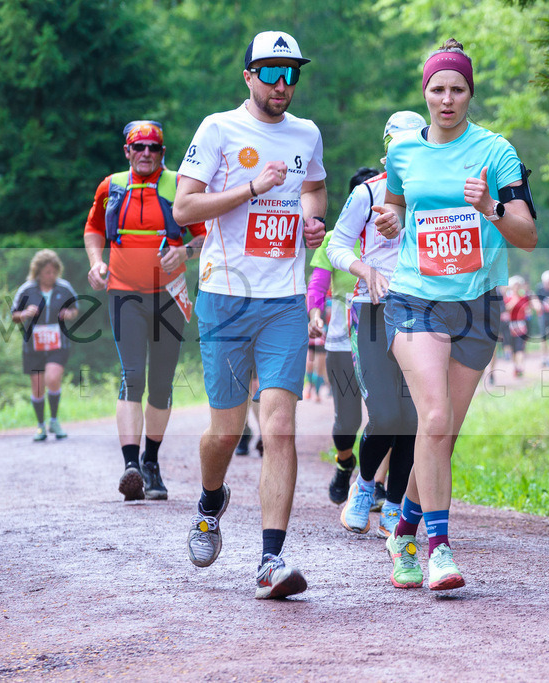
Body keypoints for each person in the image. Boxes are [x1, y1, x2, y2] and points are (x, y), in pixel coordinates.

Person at [373, 39, 537, 590]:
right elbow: (395, 203)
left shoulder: (496, 153)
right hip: (416, 298)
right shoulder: (402, 153)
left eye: (457, 89)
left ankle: (403, 528)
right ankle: (436, 547)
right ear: (425, 93)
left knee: (444, 434)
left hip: (478, 304)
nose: (447, 99)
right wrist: (391, 221)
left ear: (470, 93)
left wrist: (488, 207)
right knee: (435, 419)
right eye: (437, 89)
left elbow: (528, 236)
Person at [173, 30, 327, 599]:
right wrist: (249, 188)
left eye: (292, 74)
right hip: (225, 298)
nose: (283, 85)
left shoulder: (306, 133)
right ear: (249, 77)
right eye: (271, 73)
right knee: (225, 430)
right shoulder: (218, 129)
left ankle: (270, 561)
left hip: (284, 300)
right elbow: (184, 206)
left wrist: (312, 221)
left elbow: (315, 189)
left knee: (280, 428)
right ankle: (211, 502)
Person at [84, 120, 207, 501]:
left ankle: (151, 462)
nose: (146, 153)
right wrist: (95, 262)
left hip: (169, 297)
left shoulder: (178, 186)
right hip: (125, 294)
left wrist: (184, 252)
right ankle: (131, 466)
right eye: (139, 147)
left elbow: (206, 235)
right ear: (127, 150)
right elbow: (93, 229)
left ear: (163, 151)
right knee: (132, 376)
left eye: (154, 147)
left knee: (161, 384)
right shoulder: (112, 186)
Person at [325, 111, 426, 543]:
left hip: (423, 313)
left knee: (414, 416)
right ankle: (364, 488)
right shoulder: (368, 193)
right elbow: (336, 244)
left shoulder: (434, 195)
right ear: (387, 150)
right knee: (385, 413)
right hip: (371, 311)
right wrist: (363, 269)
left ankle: (398, 502)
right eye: (396, 150)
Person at [306, 169, 374, 512]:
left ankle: (372, 482)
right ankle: (345, 462)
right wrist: (315, 315)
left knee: (385, 415)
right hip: (342, 340)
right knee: (347, 420)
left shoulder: (395, 235)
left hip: (385, 339)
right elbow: (318, 284)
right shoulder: (335, 239)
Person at [11, 250, 79, 442]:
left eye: (53, 272)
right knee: (38, 386)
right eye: (47, 272)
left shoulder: (64, 288)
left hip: (58, 343)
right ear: (38, 272)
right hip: (33, 345)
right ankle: (41, 425)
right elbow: (14, 315)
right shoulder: (26, 290)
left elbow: (75, 309)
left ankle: (55, 420)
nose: (50, 276)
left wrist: (69, 314)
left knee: (53, 378)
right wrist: (24, 314)